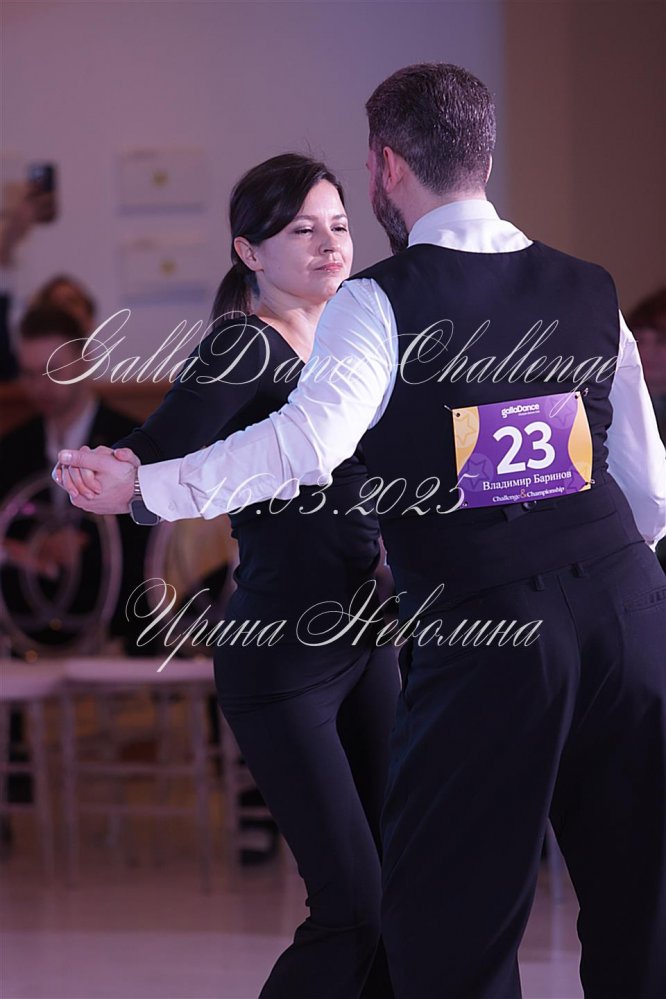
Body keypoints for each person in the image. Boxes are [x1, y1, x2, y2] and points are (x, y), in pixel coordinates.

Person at [57, 66, 666, 999]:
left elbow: (306, 444)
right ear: (485, 155)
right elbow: (648, 486)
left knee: (450, 927)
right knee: (643, 910)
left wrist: (150, 488)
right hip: (631, 615)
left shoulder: (379, 300)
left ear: (385, 166)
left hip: (491, 633)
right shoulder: (590, 286)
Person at [60, 153, 399, 999]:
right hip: (283, 657)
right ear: (250, 251)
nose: (329, 244)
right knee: (354, 906)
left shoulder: (354, 339)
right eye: (302, 230)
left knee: (400, 888)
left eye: (339, 225)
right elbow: (158, 447)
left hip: (369, 641)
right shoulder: (244, 344)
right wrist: (112, 470)